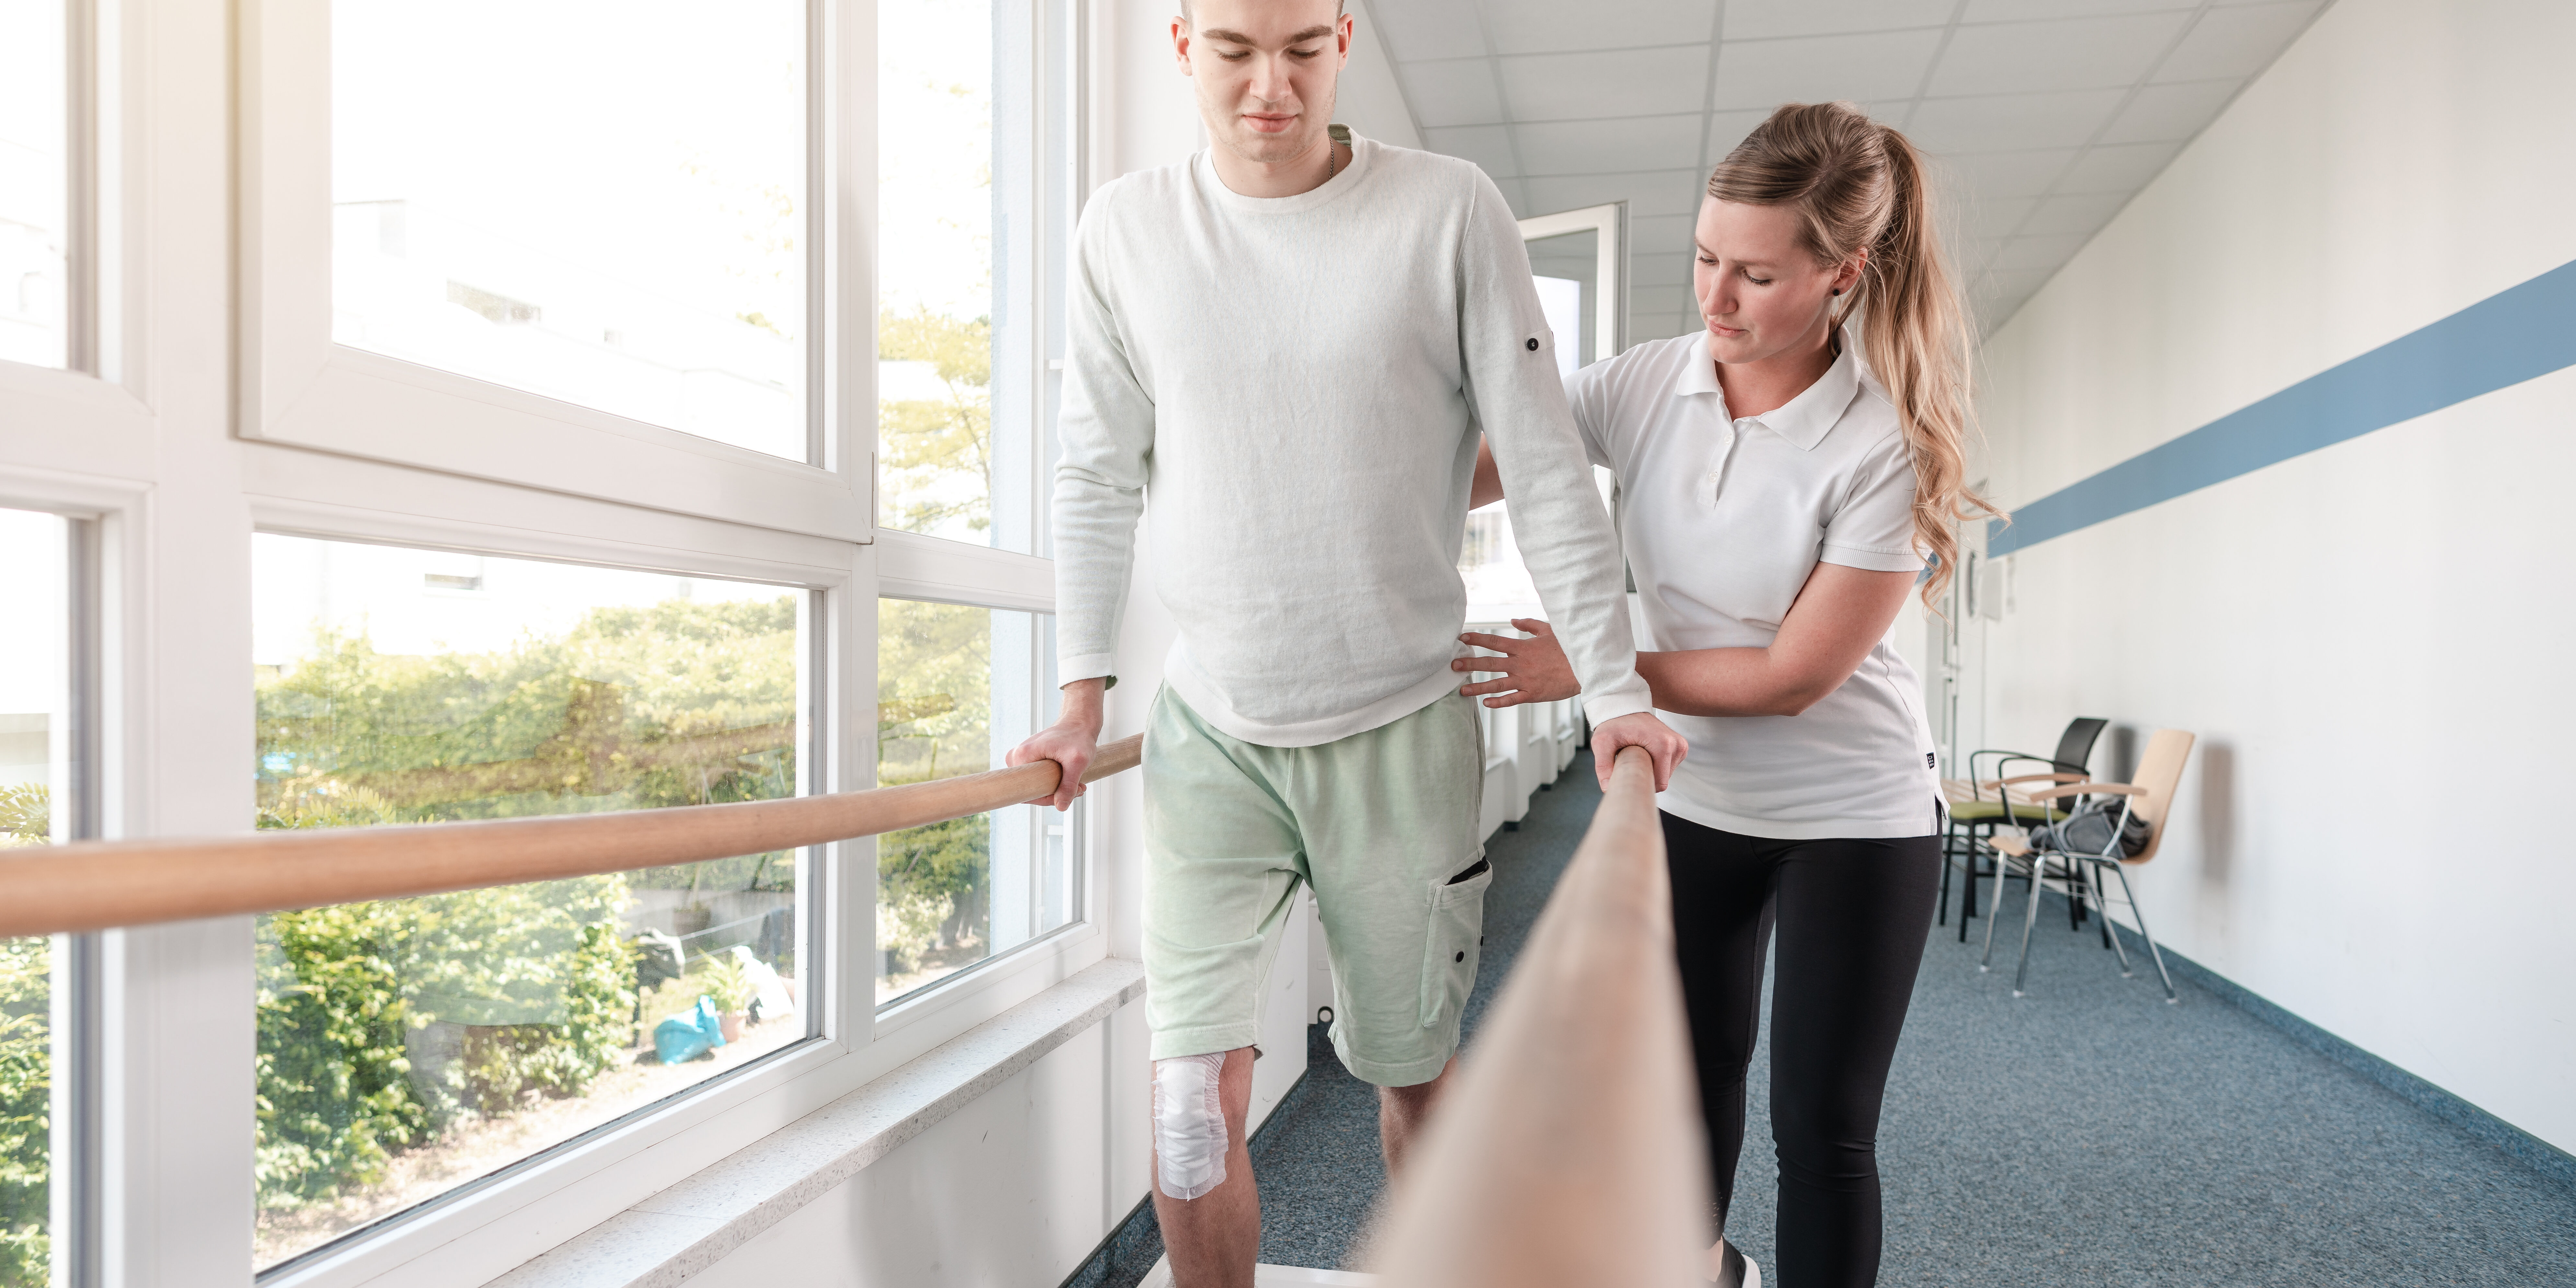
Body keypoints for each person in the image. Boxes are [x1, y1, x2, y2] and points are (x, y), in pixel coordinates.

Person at [1003, 3, 1688, 1286]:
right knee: (1187, 1116)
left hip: (1399, 728)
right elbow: (1093, 473)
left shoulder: (1447, 210)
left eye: (1301, 50)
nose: (1270, 85)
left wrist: (1611, 692)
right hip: (1212, 734)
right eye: (1234, 50)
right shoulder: (1124, 230)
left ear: (1344, 40)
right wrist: (1079, 694)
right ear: (1181, 45)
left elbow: (1545, 468)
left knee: (1414, 1083)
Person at [1455, 101, 1999, 1288]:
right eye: (1706, 257)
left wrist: (1597, 668)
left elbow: (1794, 675)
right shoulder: (1649, 383)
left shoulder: (1881, 442)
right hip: (1697, 798)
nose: (1716, 297)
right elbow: (1490, 469)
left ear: (1843, 275)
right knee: (1690, 1094)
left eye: (1756, 275)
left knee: (1822, 1128)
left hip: (1853, 816)